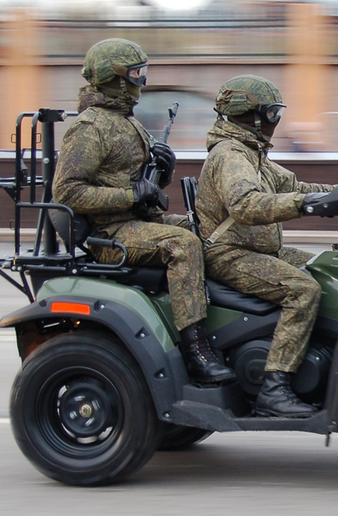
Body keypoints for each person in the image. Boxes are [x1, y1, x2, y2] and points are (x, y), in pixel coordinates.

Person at [52, 38, 234, 385]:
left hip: (139, 221)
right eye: (136, 73)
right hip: (109, 233)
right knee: (184, 245)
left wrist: (163, 170)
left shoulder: (125, 121)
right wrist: (130, 194)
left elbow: (143, 186)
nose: (142, 81)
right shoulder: (91, 126)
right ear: (113, 77)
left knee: (211, 230)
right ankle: (196, 350)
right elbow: (68, 191)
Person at [196, 74, 337, 418]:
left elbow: (296, 184)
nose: (277, 121)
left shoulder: (252, 154)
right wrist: (302, 205)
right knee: (302, 290)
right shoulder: (230, 155)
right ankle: (275, 387)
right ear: (253, 116)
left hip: (258, 249)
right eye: (273, 113)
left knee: (329, 267)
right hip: (229, 252)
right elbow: (245, 204)